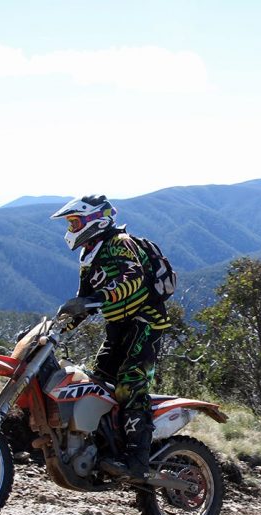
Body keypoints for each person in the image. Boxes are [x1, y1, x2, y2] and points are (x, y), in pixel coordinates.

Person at [52, 195, 172, 479]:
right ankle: (106, 445)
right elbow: (84, 302)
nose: (71, 228)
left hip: (145, 323)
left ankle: (137, 461)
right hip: (117, 327)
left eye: (75, 221)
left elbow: (133, 280)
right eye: (70, 222)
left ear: (96, 219)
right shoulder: (90, 255)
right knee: (100, 383)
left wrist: (99, 297)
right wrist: (55, 330)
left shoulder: (120, 243)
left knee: (130, 383)